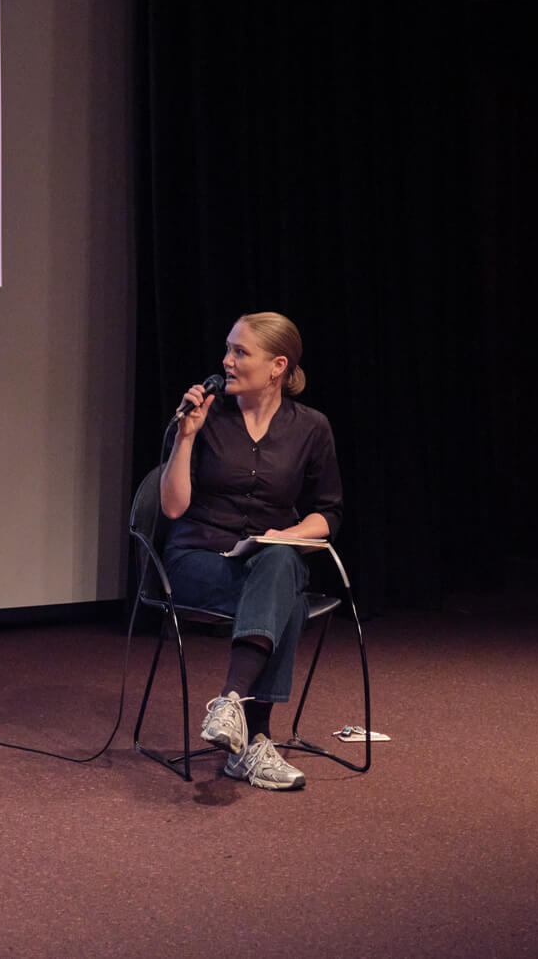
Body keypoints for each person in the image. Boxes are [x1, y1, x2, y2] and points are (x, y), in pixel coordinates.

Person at [158, 312, 342, 791]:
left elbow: (329, 513)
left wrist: (289, 535)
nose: (227, 360)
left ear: (277, 365)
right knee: (287, 600)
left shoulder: (311, 428)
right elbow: (173, 508)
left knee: (281, 563)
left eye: (241, 352)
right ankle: (256, 737)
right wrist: (186, 437)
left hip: (265, 560)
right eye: (228, 349)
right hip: (197, 560)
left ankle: (230, 704)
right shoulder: (207, 418)